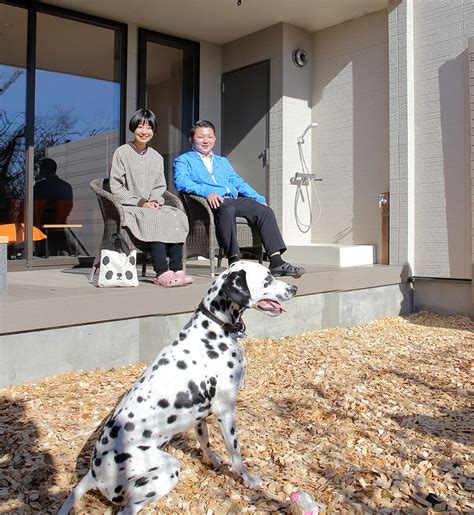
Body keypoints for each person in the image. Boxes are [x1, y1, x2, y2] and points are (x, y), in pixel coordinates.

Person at [173, 120, 305, 277]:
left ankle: (276, 262)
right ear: (191, 139)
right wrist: (207, 192)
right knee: (227, 208)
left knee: (264, 211)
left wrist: (258, 198)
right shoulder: (183, 160)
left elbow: (238, 182)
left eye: (210, 136)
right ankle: (234, 261)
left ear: (215, 139)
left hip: (232, 199)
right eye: (201, 137)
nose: (206, 141)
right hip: (210, 202)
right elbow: (181, 182)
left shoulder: (222, 161)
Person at [109, 109, 192, 287]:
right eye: (140, 127)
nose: (144, 132)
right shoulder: (121, 152)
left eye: (149, 128)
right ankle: (161, 272)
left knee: (176, 215)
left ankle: (177, 269)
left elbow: (160, 186)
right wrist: (141, 203)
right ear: (133, 128)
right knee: (155, 218)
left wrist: (153, 201)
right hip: (130, 206)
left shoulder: (156, 157)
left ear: (154, 130)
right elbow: (115, 186)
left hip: (152, 206)